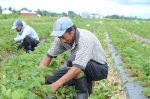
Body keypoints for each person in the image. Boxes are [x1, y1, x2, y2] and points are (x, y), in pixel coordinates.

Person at [39, 17, 108, 99]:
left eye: (63, 37)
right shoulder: (60, 39)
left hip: (99, 69)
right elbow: (48, 57)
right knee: (51, 79)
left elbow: (77, 68)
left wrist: (56, 85)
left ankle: (82, 93)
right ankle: (80, 84)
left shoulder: (85, 39)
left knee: (72, 59)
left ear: (72, 31)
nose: (62, 40)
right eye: (59, 37)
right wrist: (39, 76)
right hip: (79, 65)